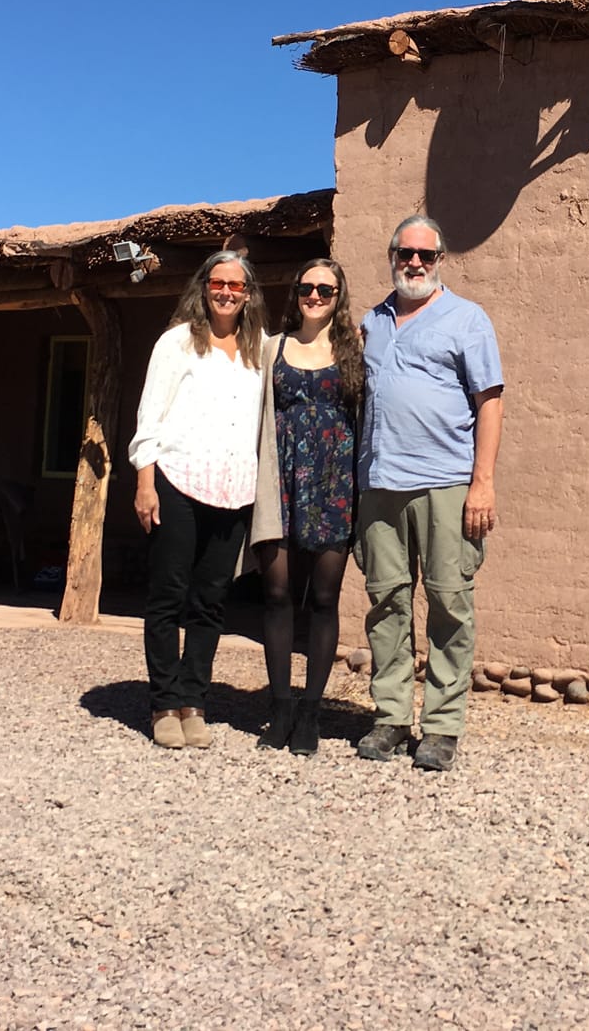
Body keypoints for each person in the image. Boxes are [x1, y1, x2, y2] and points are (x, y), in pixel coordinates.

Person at [351, 216, 503, 772]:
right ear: (391, 255)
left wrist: (481, 482)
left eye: (426, 256)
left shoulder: (467, 319)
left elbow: (489, 400)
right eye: (405, 253)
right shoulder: (373, 320)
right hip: (380, 484)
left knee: (449, 603)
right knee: (386, 602)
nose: (415, 263)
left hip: (446, 482)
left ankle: (441, 727)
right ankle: (389, 716)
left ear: (441, 261)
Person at [128, 251, 266, 750]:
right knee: (168, 596)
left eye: (237, 284)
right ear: (204, 287)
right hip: (177, 481)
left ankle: (194, 700)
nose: (227, 291)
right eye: (218, 282)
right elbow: (151, 415)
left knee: (210, 602)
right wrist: (145, 482)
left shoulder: (258, 352)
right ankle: (164, 702)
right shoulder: (177, 344)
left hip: (233, 492)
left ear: (248, 293)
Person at [249, 258, 363, 757]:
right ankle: (279, 707)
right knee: (275, 595)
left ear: (339, 297)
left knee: (323, 599)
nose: (316, 295)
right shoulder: (271, 348)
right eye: (308, 287)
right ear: (295, 292)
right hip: (278, 481)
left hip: (335, 484)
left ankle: (311, 710)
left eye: (327, 289)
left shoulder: (355, 349)